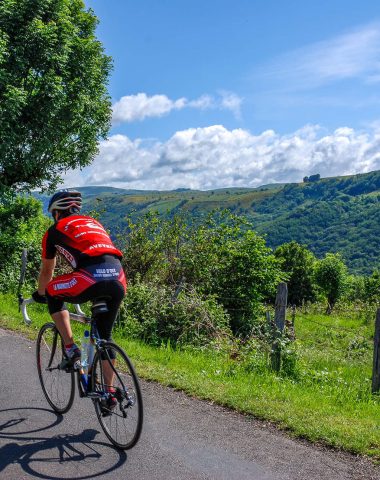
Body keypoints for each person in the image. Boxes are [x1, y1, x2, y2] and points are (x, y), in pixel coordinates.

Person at [32, 190, 127, 411]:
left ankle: (71, 348)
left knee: (52, 291)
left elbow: (48, 271)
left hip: (89, 278)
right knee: (105, 335)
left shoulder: (54, 230)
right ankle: (109, 393)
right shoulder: (94, 222)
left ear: (56, 212)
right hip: (118, 278)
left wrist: (40, 294)